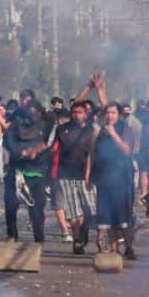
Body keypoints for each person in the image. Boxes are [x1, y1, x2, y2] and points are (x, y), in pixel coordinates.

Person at [87, 103, 137, 258]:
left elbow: (127, 150)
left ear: (119, 114)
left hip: (122, 180)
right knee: (107, 217)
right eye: (107, 113)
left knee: (124, 218)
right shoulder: (99, 131)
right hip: (104, 179)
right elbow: (91, 153)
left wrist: (114, 134)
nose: (110, 116)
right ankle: (114, 250)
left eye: (113, 113)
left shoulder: (126, 129)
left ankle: (129, 247)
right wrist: (87, 175)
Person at [3, 100, 55, 243]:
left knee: (37, 209)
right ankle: (12, 234)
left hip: (36, 172)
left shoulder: (45, 126)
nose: (31, 112)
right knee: (10, 205)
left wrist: (35, 152)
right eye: (29, 109)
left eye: (34, 109)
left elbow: (48, 145)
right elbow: (8, 144)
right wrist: (21, 152)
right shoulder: (15, 125)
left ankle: (39, 239)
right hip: (16, 171)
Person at [55, 100, 97, 254]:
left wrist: (89, 175)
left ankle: (84, 230)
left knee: (91, 210)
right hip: (66, 174)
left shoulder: (91, 131)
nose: (77, 115)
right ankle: (77, 240)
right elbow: (53, 149)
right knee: (73, 211)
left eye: (80, 113)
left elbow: (92, 155)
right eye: (74, 112)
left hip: (86, 176)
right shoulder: (62, 129)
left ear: (86, 114)